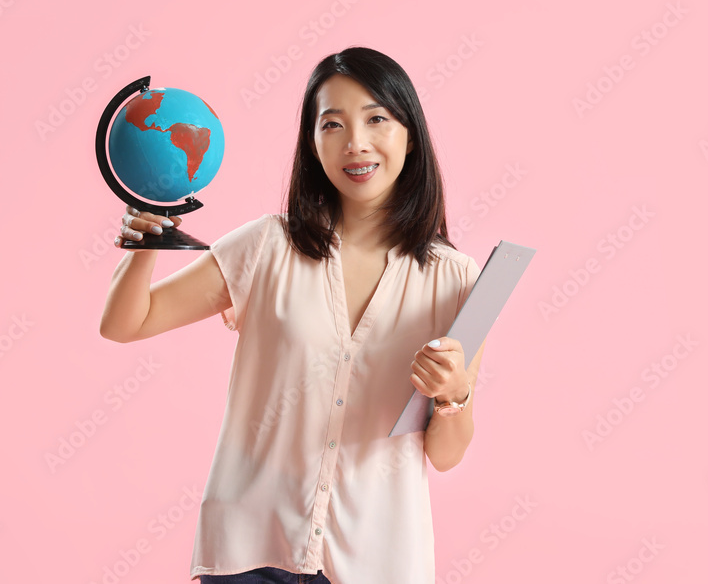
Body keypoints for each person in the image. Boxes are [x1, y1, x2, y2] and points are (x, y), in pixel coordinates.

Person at [99, 46, 487, 584]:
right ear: (313, 143)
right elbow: (125, 323)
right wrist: (146, 243)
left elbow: (446, 455)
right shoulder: (268, 247)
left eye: (377, 118)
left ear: (410, 134)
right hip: (250, 552)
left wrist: (453, 395)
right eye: (332, 124)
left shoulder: (457, 279)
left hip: (377, 559)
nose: (356, 143)